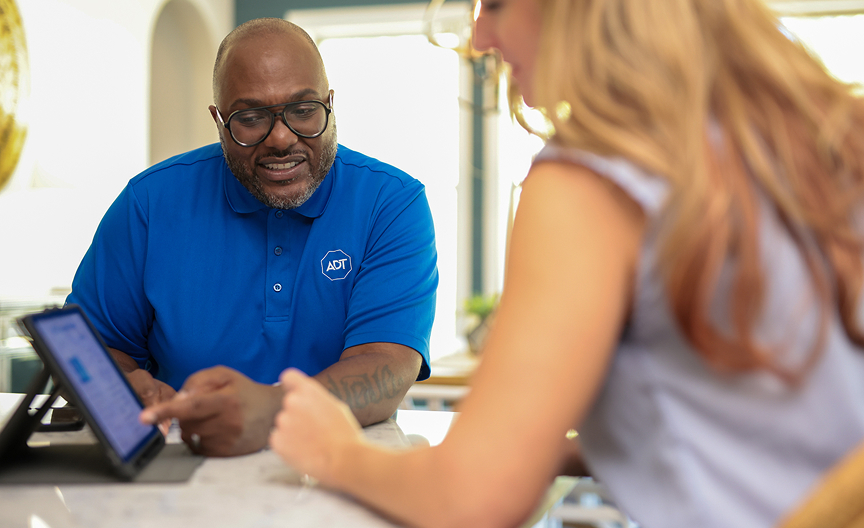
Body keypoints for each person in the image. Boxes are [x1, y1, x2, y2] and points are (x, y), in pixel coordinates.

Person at [267, 1, 864, 527]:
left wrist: (334, 452)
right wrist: (551, 446)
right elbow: (770, 421)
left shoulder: (593, 179)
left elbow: (470, 503)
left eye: (497, 3)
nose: (480, 37)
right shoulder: (819, 133)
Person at [67, 18, 438, 457]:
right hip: (185, 470)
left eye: (303, 110)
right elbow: (89, 350)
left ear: (330, 105)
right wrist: (122, 387)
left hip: (342, 471)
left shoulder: (391, 203)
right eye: (251, 117)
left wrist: (272, 410)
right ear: (219, 120)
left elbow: (387, 365)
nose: (281, 138)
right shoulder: (148, 204)